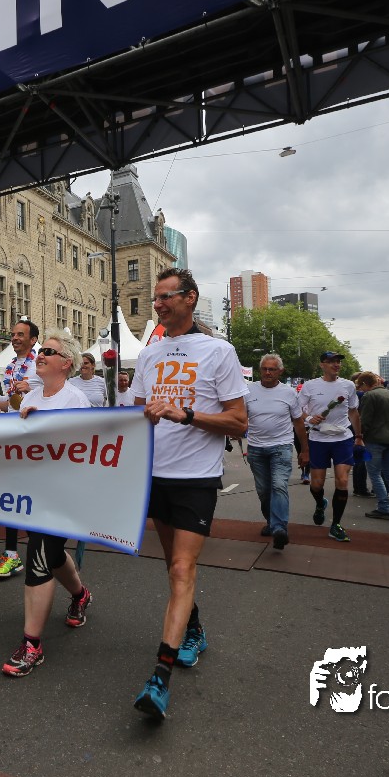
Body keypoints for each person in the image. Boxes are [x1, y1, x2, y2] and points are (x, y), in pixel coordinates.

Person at [130, 267, 247, 720]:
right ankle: (193, 629)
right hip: (155, 476)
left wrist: (187, 414)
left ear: (190, 298)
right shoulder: (149, 353)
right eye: (155, 298)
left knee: (182, 567)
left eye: (166, 296)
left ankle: (159, 678)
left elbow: (238, 422)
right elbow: (135, 415)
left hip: (196, 478)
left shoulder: (219, 351)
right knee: (173, 567)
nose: (158, 304)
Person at [1, 330, 94, 677]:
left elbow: (86, 447)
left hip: (63, 493)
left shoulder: (76, 400)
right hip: (33, 491)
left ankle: (32, 645)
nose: (40, 355)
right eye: (41, 350)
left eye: (49, 352)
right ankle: (81, 595)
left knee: (38, 558)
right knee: (53, 555)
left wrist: (47, 429)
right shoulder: (30, 397)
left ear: (66, 363)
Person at [0, 320, 39, 578]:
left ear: (33, 340)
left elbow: (49, 394)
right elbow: (11, 404)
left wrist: (30, 388)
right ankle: (12, 553)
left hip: (34, 440)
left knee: (32, 495)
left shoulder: (39, 363)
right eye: (13, 334)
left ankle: (41, 551)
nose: (14, 338)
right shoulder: (12, 365)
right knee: (12, 495)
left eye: (20, 335)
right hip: (14, 436)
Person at [243, 353, 306, 550]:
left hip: (281, 446)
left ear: (280, 371)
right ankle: (271, 522)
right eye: (264, 369)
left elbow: (298, 422)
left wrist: (305, 450)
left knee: (279, 486)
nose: (268, 372)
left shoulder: (289, 393)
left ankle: (279, 529)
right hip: (256, 448)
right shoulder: (248, 390)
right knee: (264, 491)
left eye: (272, 369)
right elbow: (241, 417)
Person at [300, 352, 361, 542]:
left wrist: (359, 436)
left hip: (343, 438)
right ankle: (320, 503)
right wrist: (309, 418)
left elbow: (353, 412)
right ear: (322, 365)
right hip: (318, 439)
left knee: (342, 480)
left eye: (338, 361)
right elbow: (298, 410)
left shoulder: (348, 385)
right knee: (317, 484)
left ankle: (336, 524)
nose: (336, 365)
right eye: (332, 362)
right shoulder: (310, 386)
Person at [354, 372, 389, 521]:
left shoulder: (369, 396)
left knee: (375, 474)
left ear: (365, 384)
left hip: (375, 439)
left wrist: (359, 436)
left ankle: (384, 507)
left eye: (360, 386)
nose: (361, 389)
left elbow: (365, 420)